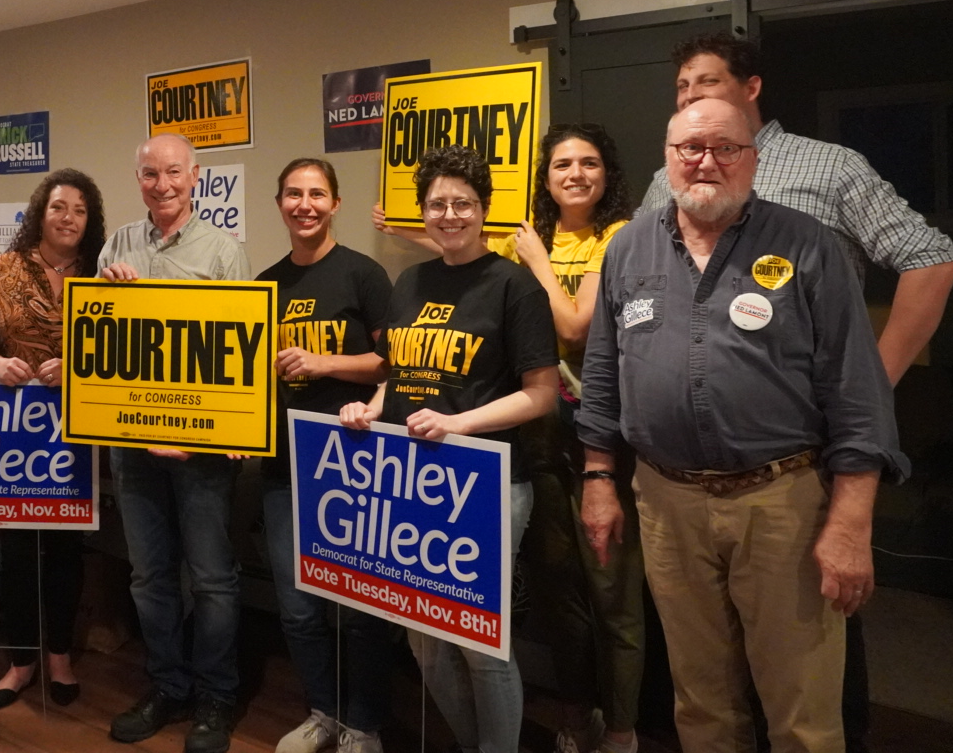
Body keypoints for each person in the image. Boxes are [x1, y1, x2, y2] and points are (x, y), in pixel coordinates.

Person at [637, 32, 953, 750]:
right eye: (684, 89)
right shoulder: (667, 180)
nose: (693, 100)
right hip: (683, 478)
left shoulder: (828, 166)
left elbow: (931, 257)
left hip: (796, 459)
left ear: (750, 89)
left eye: (708, 83)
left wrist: (870, 379)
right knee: (706, 682)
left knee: (812, 676)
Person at [578, 99, 909, 753]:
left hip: (782, 501)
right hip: (665, 503)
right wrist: (597, 478)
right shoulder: (629, 247)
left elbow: (857, 392)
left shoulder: (807, 243)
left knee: (803, 710)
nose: (706, 161)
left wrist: (850, 524)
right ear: (667, 159)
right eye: (690, 148)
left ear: (753, 159)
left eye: (726, 148)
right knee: (700, 701)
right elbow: (601, 373)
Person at [339, 144, 559, 753]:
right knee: (423, 640)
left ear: (484, 209)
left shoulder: (515, 286)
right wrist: (374, 406)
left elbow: (541, 394)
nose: (450, 214)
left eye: (463, 202)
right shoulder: (409, 280)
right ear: (424, 213)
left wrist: (461, 424)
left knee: (479, 640)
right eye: (438, 204)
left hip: (485, 483)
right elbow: (401, 370)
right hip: (410, 479)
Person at [492, 124, 641, 753]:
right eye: (561, 165)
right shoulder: (529, 236)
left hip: (602, 431)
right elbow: (469, 256)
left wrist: (537, 264)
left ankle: (626, 728)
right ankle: (578, 713)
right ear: (545, 177)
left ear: (606, 173)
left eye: (588, 163)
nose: (575, 174)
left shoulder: (622, 235)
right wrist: (407, 226)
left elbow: (576, 327)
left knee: (613, 589)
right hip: (538, 430)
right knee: (557, 585)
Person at [100, 133, 251, 753]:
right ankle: (168, 685)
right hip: (131, 446)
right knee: (149, 576)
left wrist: (201, 436)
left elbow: (238, 350)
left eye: (171, 173)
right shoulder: (117, 245)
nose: (160, 185)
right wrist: (109, 295)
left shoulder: (223, 249)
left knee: (213, 579)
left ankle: (217, 695)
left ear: (195, 176)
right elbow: (101, 341)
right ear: (137, 179)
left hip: (201, 450)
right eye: (147, 174)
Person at [255, 159, 394, 753]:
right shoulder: (265, 282)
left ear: (335, 203)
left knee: (360, 608)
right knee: (297, 608)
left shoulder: (363, 275)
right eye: (293, 193)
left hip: (355, 464)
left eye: (317, 194)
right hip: (285, 466)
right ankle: (324, 713)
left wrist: (324, 363)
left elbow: (395, 364)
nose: (304, 204)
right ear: (279, 202)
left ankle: (364, 724)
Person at [0, 168, 107, 712]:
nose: (68, 217)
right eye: (58, 207)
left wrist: (76, 368)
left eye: (78, 209)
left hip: (78, 431)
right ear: (39, 213)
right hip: (14, 434)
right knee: (20, 550)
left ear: (89, 220)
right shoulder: (4, 269)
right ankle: (21, 662)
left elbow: (120, 349)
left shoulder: (100, 275)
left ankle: (61, 657)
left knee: (65, 547)